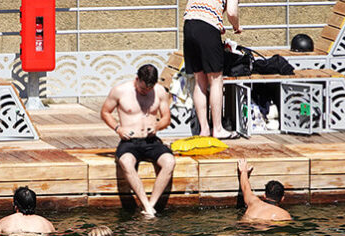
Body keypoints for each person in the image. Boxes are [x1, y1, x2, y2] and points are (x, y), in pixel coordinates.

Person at [100, 64, 175, 217]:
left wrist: (157, 126)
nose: (145, 92)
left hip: (151, 140)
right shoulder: (120, 91)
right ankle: (145, 204)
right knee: (126, 162)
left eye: (148, 90)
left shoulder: (160, 91)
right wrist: (118, 129)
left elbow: (166, 118)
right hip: (129, 141)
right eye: (142, 89)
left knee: (169, 161)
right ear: (137, 79)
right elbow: (105, 112)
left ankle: (151, 205)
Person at [184, 0, 242, 139]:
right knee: (216, 80)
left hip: (189, 25)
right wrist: (236, 26)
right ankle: (218, 129)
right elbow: (232, 12)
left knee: (199, 80)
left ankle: (204, 130)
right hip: (207, 26)